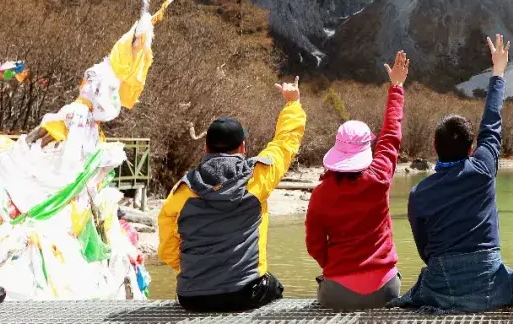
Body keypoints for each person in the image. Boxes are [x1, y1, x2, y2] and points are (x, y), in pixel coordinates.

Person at [395, 34, 513, 312]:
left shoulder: (419, 193)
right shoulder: (482, 170)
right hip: (491, 283)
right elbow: (492, 126)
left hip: (441, 285)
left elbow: (425, 251)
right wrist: (498, 73)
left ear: (434, 146)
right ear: (471, 149)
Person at [158, 77, 306, 312]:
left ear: (205, 148)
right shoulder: (258, 178)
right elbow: (285, 143)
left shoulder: (183, 190)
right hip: (246, 293)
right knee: (275, 287)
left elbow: (167, 247)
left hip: (192, 298)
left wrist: (195, 272)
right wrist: (292, 103)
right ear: (243, 148)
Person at [305, 52, 409, 310]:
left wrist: (335, 267)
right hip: (385, 289)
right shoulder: (380, 177)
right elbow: (391, 135)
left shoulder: (321, 193)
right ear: (366, 150)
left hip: (337, 291)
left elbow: (314, 245)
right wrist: (396, 87)